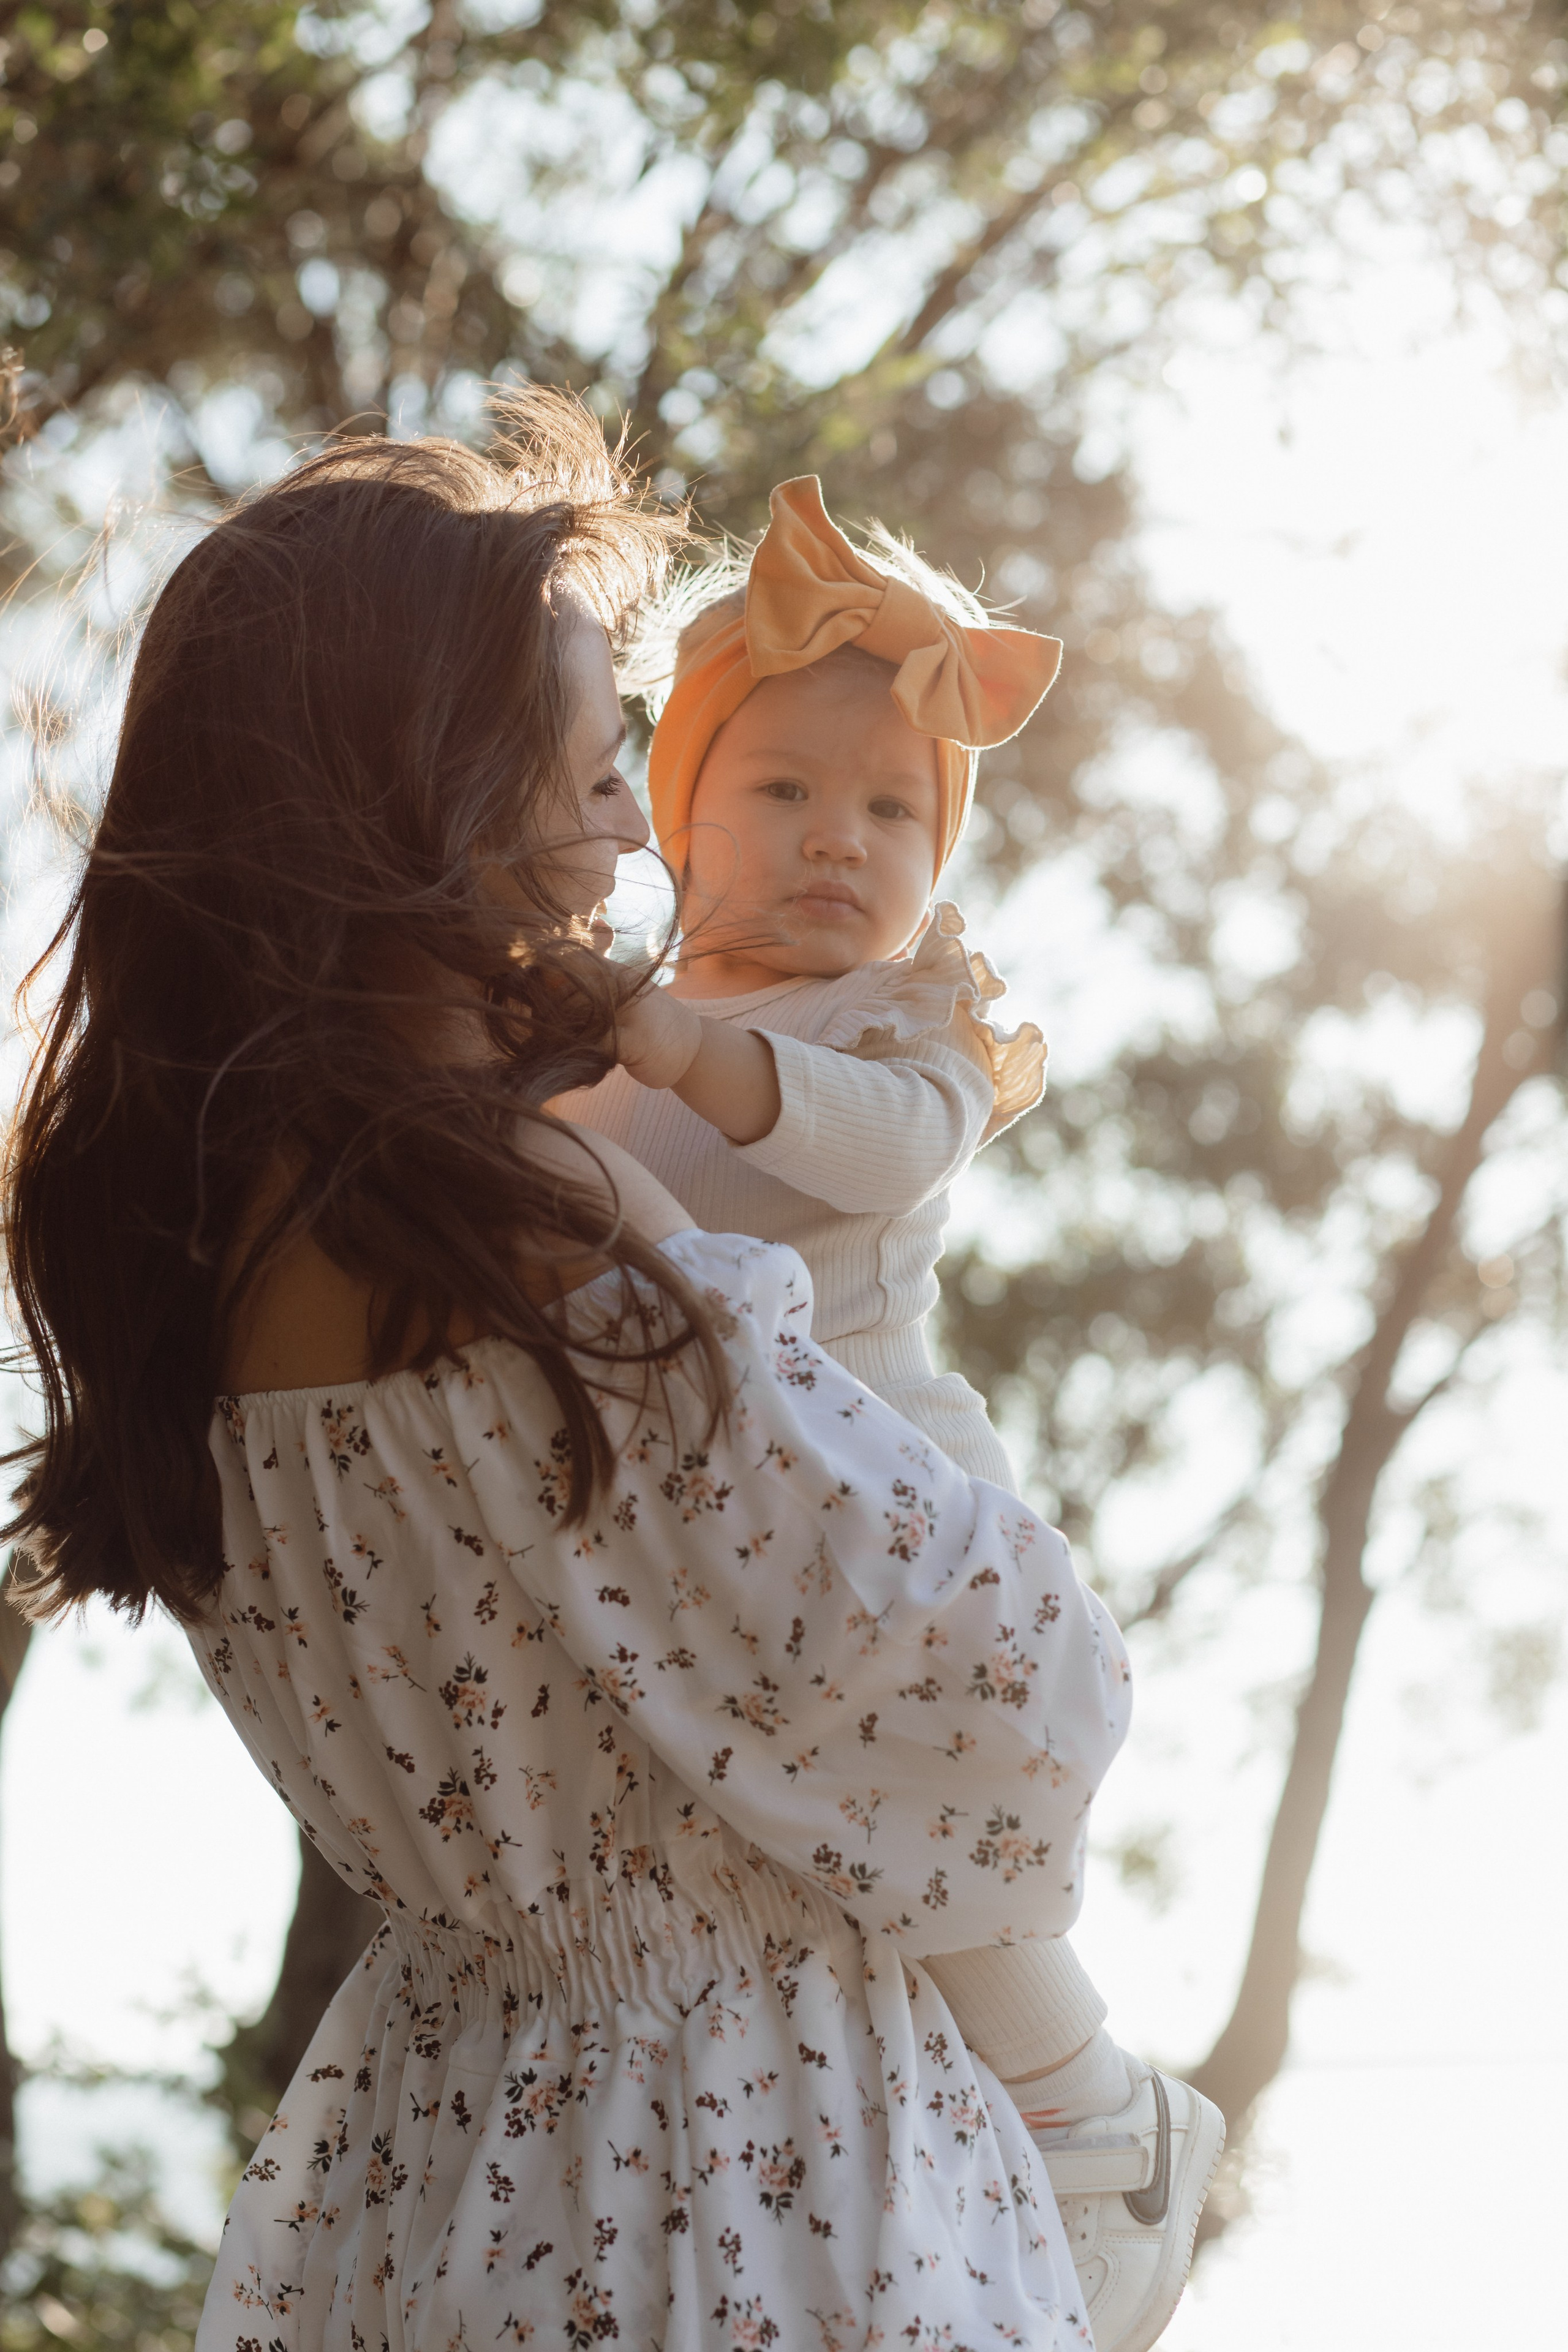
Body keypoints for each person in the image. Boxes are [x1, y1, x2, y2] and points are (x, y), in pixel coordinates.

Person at [5, 396, 1137, 2352]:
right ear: (425, 781)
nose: (631, 829)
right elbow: (1011, 1695)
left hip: (434, 2154)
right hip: (733, 2186)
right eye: (600, 766)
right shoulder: (527, 1211)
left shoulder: (168, 1241)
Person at [556, 477, 1224, 2350]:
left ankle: (1103, 2118)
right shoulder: (615, 1032)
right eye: (784, 792)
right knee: (797, 1869)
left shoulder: (897, 1027)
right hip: (713, 1532)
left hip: (895, 1522)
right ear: (674, 805)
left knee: (939, 1856)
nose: (840, 841)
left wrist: (676, 1044)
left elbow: (875, 1151)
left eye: (894, 809)